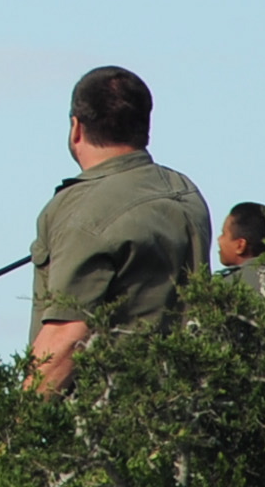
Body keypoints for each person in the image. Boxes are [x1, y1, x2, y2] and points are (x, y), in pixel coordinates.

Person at [27, 66, 212, 395]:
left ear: (76, 128)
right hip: (187, 410)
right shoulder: (185, 191)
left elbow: (67, 334)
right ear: (145, 128)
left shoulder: (82, 207)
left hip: (106, 425)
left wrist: (8, 430)